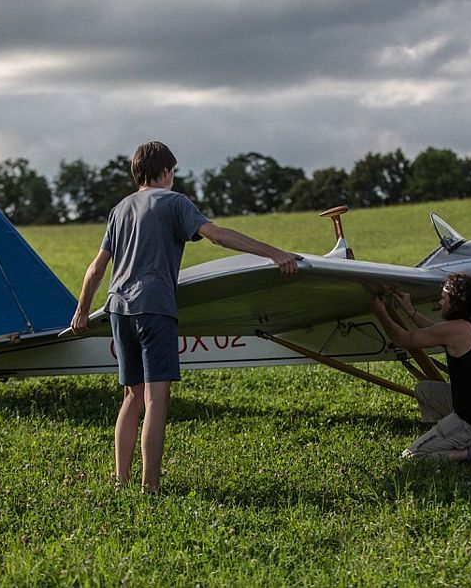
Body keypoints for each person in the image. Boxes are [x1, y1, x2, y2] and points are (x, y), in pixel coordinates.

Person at [70, 141, 300, 493]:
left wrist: (82, 310)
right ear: (165, 172)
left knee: (132, 395)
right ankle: (151, 486)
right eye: (173, 172)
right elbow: (218, 236)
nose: (173, 178)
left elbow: (96, 269)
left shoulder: (120, 209)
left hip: (118, 307)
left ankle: (121, 481)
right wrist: (273, 253)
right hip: (155, 307)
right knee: (156, 397)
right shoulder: (175, 202)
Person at [370, 273, 471, 469]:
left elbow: (403, 339)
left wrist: (380, 313)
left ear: (457, 302)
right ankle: (455, 436)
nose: (440, 302)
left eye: (444, 298)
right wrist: (410, 311)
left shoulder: (458, 330)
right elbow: (437, 331)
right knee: (425, 390)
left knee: (411, 457)